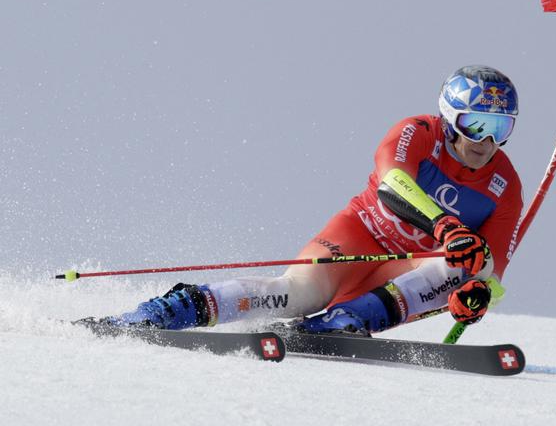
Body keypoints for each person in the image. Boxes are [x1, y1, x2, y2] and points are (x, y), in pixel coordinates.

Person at [96, 65, 523, 335]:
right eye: (476, 124)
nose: (485, 141)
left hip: (406, 269)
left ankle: (347, 322)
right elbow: (392, 186)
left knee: (470, 259)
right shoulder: (418, 132)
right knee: (295, 294)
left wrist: (477, 296)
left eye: (500, 128)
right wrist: (444, 224)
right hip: (361, 234)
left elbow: (493, 271)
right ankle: (175, 309)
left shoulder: (506, 185)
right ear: (449, 118)